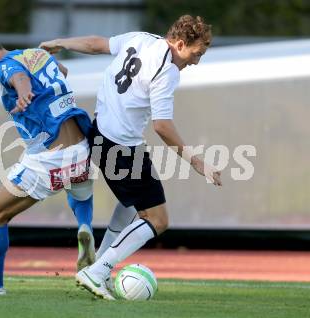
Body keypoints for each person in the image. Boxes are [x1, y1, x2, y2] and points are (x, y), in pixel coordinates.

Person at [40, 15, 222, 300]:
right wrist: (196, 161)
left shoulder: (141, 38)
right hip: (121, 148)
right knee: (158, 220)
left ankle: (97, 261)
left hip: (99, 134)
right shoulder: (168, 69)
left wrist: (59, 42)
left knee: (133, 205)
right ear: (181, 43)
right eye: (195, 54)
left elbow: (95, 43)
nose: (195, 62)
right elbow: (162, 125)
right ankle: (97, 271)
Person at [0, 34, 96, 294]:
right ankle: (85, 226)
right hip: (81, 149)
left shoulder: (3, 66)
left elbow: (18, 78)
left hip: (48, 158)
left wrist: (23, 94)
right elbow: (62, 70)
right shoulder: (36, 54)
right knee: (76, 188)